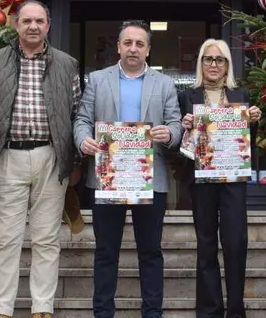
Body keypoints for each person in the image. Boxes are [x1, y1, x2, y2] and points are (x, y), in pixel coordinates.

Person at [0, 0, 82, 318]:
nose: (33, 26)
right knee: (6, 237)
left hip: (51, 156)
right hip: (8, 155)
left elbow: (77, 115)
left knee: (47, 238)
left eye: (39, 21)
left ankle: (42, 308)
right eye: (26, 21)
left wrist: (73, 163)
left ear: (48, 25)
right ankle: (1, 308)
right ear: (16, 25)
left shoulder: (66, 63)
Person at [74, 20, 182, 318]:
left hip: (150, 179)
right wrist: (83, 140)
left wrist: (171, 134)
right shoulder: (97, 80)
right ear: (118, 46)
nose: (133, 48)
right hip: (107, 179)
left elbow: (175, 123)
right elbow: (82, 119)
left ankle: (152, 313)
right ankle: (103, 313)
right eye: (128, 43)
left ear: (148, 50)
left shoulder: (165, 84)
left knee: (151, 253)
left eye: (140, 44)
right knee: (106, 253)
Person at [177, 39, 261, 318]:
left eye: (220, 59)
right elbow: (180, 146)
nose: (214, 64)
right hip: (201, 179)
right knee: (206, 244)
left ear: (227, 65)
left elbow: (250, 144)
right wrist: (184, 127)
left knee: (236, 242)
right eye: (208, 59)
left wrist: (254, 122)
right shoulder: (187, 96)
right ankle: (210, 310)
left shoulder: (241, 96)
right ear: (200, 63)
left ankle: (236, 309)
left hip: (233, 180)